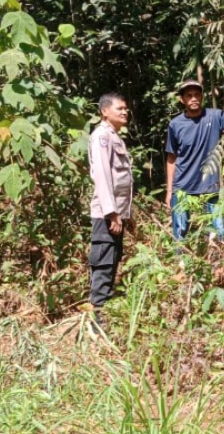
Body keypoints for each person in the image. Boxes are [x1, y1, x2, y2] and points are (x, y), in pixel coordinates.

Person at [165, 79, 224, 240]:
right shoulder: (175, 125)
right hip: (182, 187)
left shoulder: (214, 117)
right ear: (182, 99)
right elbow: (171, 158)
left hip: (210, 185)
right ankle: (181, 263)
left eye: (197, 95)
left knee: (218, 229)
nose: (193, 98)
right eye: (189, 95)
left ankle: (218, 263)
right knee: (180, 231)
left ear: (201, 97)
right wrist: (169, 190)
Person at [87, 92, 134, 328]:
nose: (125, 112)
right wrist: (112, 212)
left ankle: (103, 316)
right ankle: (97, 319)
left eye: (126, 108)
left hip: (117, 213)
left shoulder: (114, 137)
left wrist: (126, 214)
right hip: (106, 215)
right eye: (120, 108)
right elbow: (103, 177)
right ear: (105, 111)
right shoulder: (101, 137)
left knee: (113, 261)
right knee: (104, 263)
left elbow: (122, 180)